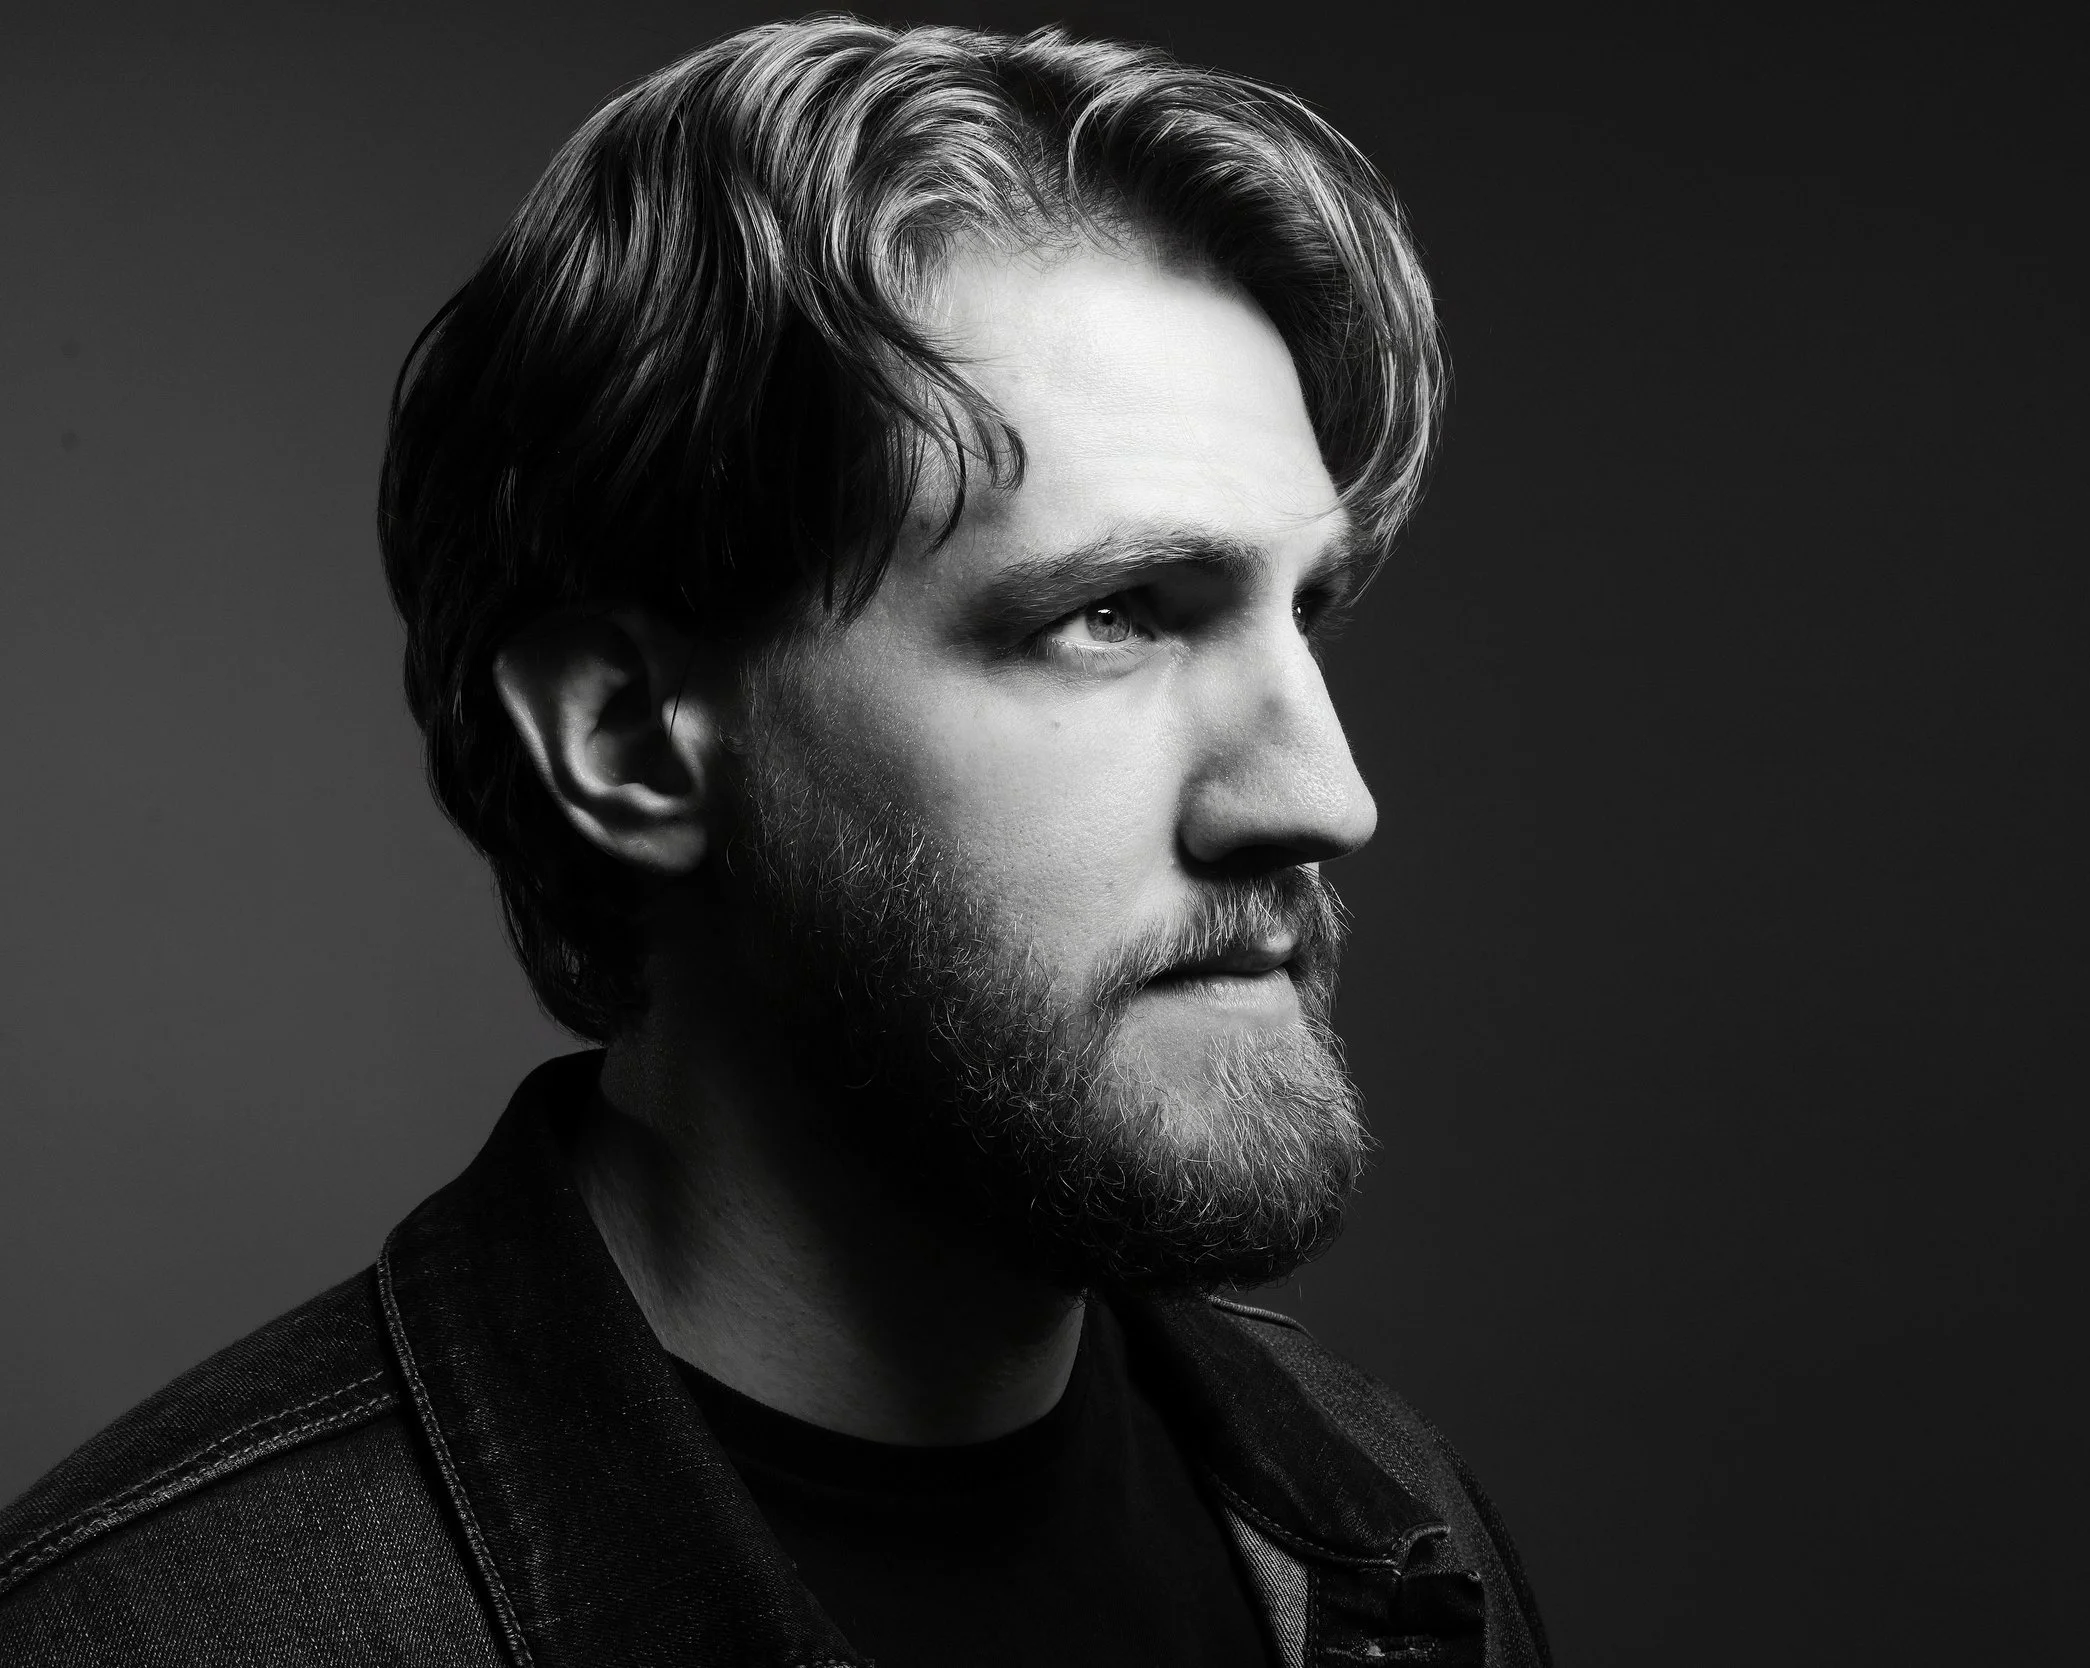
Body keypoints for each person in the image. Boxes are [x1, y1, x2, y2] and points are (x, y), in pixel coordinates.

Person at [0, 16, 1546, 1666]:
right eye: (1115, 616)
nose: (1325, 794)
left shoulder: (1385, 1529)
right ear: (626, 744)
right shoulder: (162, 1635)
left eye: (1300, 611)